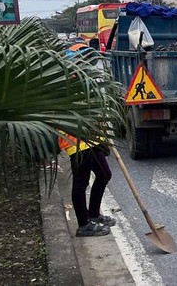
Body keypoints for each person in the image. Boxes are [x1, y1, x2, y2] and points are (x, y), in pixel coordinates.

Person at [61, 42, 115, 237]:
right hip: (76, 140)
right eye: (84, 59)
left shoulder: (85, 79)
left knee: (104, 174)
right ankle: (83, 224)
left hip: (91, 138)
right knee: (81, 182)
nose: (88, 63)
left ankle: (93, 214)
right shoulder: (68, 83)